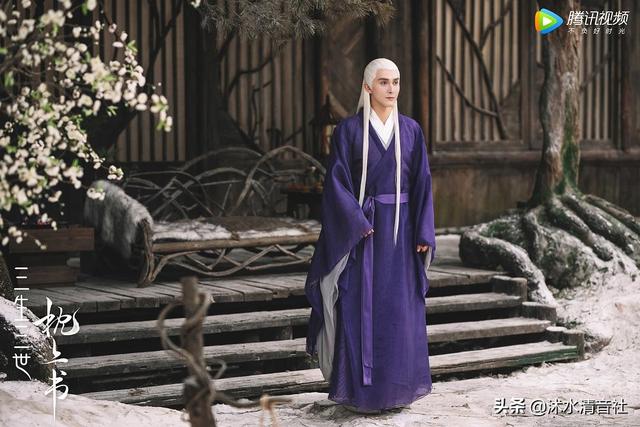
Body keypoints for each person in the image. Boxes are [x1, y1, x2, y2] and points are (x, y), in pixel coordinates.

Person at [304, 58, 436, 414]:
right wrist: (356, 221)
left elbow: (422, 183)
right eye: (383, 82)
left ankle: (397, 390)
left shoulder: (411, 130)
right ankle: (361, 393)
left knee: (399, 312)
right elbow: (337, 183)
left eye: (396, 81)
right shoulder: (348, 131)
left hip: (401, 235)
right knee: (360, 306)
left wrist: (424, 230)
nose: (392, 89)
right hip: (364, 234)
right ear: (367, 87)